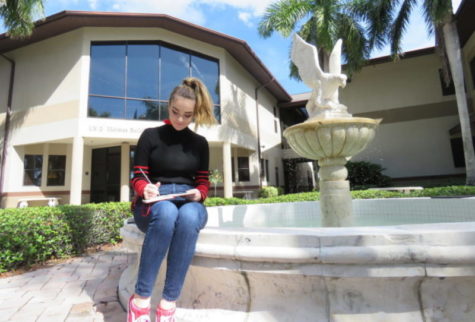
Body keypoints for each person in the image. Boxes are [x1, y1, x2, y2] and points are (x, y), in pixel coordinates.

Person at [127, 77, 216, 322]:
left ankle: (167, 305)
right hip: (155, 203)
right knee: (167, 213)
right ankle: (140, 301)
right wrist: (145, 188)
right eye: (175, 112)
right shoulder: (150, 136)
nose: (179, 119)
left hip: (189, 200)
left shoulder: (200, 143)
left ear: (194, 114)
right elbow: (138, 176)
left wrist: (200, 193)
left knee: (188, 217)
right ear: (168, 106)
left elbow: (203, 181)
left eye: (187, 115)